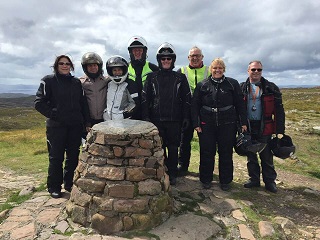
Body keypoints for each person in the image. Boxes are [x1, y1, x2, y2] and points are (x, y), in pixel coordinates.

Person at [34, 55, 90, 198]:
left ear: (71, 66)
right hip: (56, 127)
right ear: (56, 65)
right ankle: (54, 187)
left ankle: (69, 183)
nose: (65, 66)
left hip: (75, 126)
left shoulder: (76, 82)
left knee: (73, 156)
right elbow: (38, 103)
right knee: (56, 157)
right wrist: (54, 114)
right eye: (61, 63)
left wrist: (86, 123)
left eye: (67, 63)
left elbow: (83, 104)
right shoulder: (48, 81)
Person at [191, 58, 247, 190]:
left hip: (228, 123)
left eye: (220, 68)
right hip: (206, 123)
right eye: (215, 68)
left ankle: (225, 181)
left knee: (226, 152)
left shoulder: (232, 84)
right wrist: (196, 123)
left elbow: (240, 104)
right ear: (211, 69)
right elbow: (195, 105)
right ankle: (206, 179)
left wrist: (243, 122)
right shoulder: (202, 85)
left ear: (224, 69)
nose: (217, 70)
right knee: (206, 152)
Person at [141, 42, 191, 185]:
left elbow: (187, 98)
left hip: (175, 119)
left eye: (169, 58)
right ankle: (161, 172)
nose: (166, 61)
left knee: (174, 148)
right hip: (156, 120)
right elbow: (145, 99)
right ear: (159, 60)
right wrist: (146, 117)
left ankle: (173, 173)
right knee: (159, 148)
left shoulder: (180, 78)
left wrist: (186, 117)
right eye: (163, 58)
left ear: (173, 60)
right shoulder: (151, 77)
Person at [240, 60, 285, 193]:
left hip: (265, 125)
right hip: (248, 125)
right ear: (248, 71)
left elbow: (279, 110)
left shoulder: (271, 87)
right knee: (251, 154)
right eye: (253, 69)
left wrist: (279, 130)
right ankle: (254, 179)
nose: (256, 72)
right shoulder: (242, 87)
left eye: (259, 70)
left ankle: (270, 182)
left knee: (266, 155)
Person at [177, 46, 210, 173]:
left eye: (198, 55)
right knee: (184, 141)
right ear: (188, 58)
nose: (195, 58)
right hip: (187, 111)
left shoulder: (209, 70)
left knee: (206, 143)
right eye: (192, 56)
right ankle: (183, 167)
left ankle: (205, 171)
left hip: (205, 111)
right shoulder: (181, 70)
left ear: (202, 57)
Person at [127, 35, 159, 118]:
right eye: (135, 50)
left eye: (140, 50)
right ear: (130, 52)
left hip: (150, 111)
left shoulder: (153, 68)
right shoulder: (125, 69)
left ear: (144, 51)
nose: (137, 52)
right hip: (131, 111)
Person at [103, 55, 140, 120]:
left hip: (124, 122)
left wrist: (124, 114)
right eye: (114, 70)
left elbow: (134, 103)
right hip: (107, 120)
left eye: (119, 70)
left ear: (124, 70)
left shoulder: (130, 84)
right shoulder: (108, 83)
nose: (117, 72)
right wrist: (105, 112)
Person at [80, 52, 108, 126]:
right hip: (88, 120)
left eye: (95, 65)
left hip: (105, 119)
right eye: (90, 66)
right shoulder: (80, 82)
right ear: (85, 67)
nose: (93, 68)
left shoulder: (106, 80)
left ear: (99, 66)